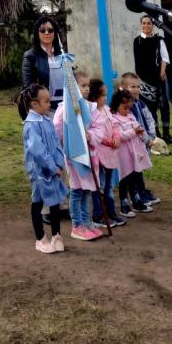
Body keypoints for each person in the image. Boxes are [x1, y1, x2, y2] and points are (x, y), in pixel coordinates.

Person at [19, 84, 68, 253]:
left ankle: (56, 235)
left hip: (53, 171)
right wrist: (51, 166)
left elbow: (56, 144)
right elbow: (38, 151)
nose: (50, 104)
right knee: (38, 203)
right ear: (34, 104)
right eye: (46, 101)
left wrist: (59, 163)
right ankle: (40, 239)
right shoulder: (31, 125)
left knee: (55, 202)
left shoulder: (47, 121)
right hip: (40, 173)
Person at [53, 69, 101, 241]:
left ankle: (88, 222)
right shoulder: (64, 108)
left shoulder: (90, 107)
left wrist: (90, 136)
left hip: (90, 156)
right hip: (75, 157)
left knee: (88, 190)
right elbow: (58, 130)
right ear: (73, 88)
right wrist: (69, 141)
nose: (87, 89)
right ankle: (77, 225)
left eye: (88, 85)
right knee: (77, 191)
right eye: (82, 86)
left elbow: (98, 128)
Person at [88, 79, 127, 228]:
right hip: (100, 155)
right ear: (93, 97)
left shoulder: (106, 109)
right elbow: (96, 134)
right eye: (102, 95)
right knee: (100, 186)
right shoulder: (92, 113)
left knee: (109, 186)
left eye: (105, 94)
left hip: (111, 154)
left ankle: (111, 213)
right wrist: (110, 142)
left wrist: (116, 137)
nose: (105, 97)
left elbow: (114, 125)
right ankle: (98, 216)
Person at [111, 88, 155, 214]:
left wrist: (146, 138)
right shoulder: (114, 119)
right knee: (125, 178)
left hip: (135, 152)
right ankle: (124, 203)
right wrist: (133, 132)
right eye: (125, 108)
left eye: (129, 108)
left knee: (135, 176)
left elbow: (139, 128)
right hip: (124, 154)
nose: (127, 111)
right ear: (116, 105)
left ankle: (136, 200)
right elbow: (120, 135)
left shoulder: (130, 116)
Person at [118, 74, 158, 211]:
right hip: (130, 146)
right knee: (129, 173)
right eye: (132, 87)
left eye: (137, 86)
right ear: (123, 89)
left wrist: (151, 136)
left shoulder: (140, 104)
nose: (136, 90)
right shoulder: (124, 108)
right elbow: (133, 127)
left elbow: (149, 119)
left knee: (139, 170)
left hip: (142, 143)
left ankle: (140, 195)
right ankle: (132, 197)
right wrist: (144, 138)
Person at [133, 15, 172, 143]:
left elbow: (165, 57)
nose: (146, 25)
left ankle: (166, 133)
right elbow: (137, 60)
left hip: (158, 77)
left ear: (153, 25)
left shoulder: (159, 40)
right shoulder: (137, 40)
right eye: (144, 23)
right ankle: (155, 133)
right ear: (141, 24)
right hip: (145, 79)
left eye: (149, 23)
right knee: (150, 108)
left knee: (163, 106)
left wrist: (162, 71)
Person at [21, 15, 64, 109]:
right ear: (37, 33)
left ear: (55, 33)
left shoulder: (63, 55)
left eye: (50, 30)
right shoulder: (30, 56)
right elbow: (28, 88)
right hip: (44, 109)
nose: (47, 33)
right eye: (42, 30)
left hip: (65, 108)